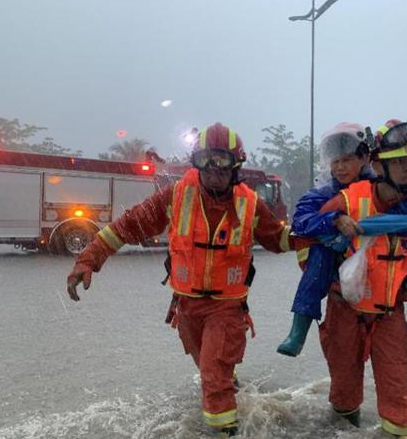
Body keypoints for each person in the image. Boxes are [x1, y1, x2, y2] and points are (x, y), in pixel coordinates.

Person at [66, 122, 292, 437]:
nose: (213, 170)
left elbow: (279, 241)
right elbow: (128, 226)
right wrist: (88, 259)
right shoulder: (177, 196)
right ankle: (230, 387)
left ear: (236, 167)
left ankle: (223, 430)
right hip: (186, 308)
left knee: (212, 379)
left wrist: (317, 237)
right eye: (206, 161)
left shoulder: (250, 204)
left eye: (222, 161)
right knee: (209, 369)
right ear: (195, 164)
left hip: (227, 309)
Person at [277, 122, 407, 368]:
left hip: (388, 298)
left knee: (395, 388)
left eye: (347, 160)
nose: (340, 167)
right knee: (344, 390)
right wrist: (334, 220)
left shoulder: (406, 191)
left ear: (367, 159)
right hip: (342, 294)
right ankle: (299, 329)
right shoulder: (326, 195)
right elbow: (301, 222)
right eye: (335, 161)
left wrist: (384, 225)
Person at [317, 120, 407, 439]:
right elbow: (306, 235)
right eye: (400, 162)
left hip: (389, 314)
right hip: (344, 312)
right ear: (378, 164)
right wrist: (335, 225)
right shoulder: (348, 200)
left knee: (397, 395)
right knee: (344, 393)